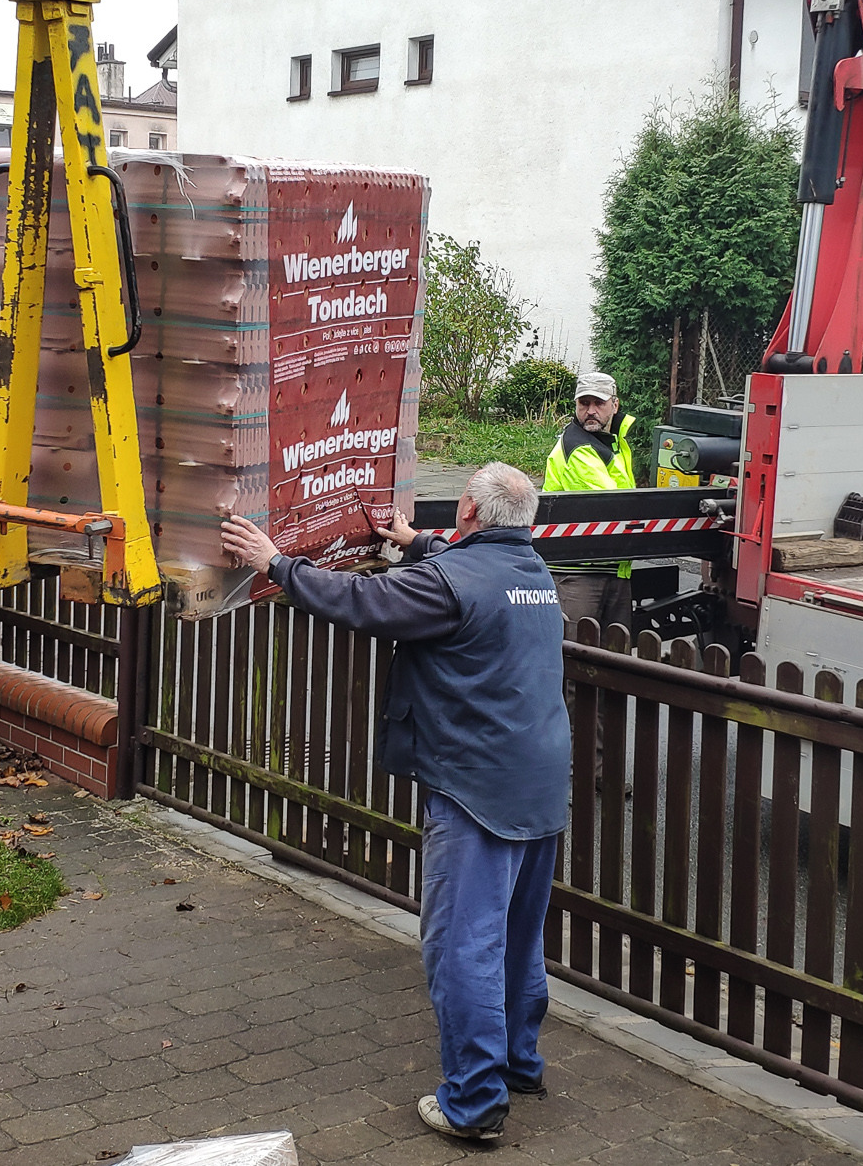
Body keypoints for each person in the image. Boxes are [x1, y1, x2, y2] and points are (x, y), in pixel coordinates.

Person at [220, 464, 568, 1145]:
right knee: (518, 937)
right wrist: (415, 542)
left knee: (463, 945)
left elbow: (362, 601)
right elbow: (466, 573)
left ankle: (473, 1101)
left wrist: (277, 563)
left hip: (476, 789)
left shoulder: (450, 582)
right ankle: (519, 1063)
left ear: (468, 508)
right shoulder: (533, 573)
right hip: (540, 782)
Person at [541, 370, 636, 629]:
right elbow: (611, 505)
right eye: (584, 403)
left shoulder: (612, 443)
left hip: (609, 566)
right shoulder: (579, 447)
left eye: (598, 403)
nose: (590, 411)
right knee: (576, 647)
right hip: (577, 571)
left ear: (615, 405)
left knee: (612, 649)